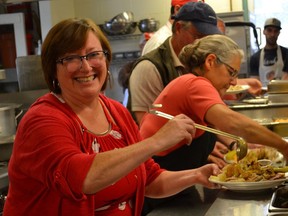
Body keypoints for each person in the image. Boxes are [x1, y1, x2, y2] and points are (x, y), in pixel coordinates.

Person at [3, 18, 222, 216]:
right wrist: (155, 142)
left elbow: (150, 180)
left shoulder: (115, 112)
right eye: (71, 58)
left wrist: (196, 176)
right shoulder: (42, 120)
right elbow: (82, 179)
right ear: (53, 69)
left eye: (93, 55)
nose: (86, 66)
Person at [140, 34, 288, 172]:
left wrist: (235, 144)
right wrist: (283, 146)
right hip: (155, 177)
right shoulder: (195, 84)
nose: (234, 81)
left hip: (170, 175)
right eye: (231, 72)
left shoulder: (193, 83)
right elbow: (233, 123)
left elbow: (213, 126)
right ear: (210, 61)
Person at [128, 1, 221, 125]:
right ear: (178, 28)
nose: (204, 45)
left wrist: (227, 143)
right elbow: (149, 127)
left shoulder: (199, 62)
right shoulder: (150, 67)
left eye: (209, 39)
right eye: (198, 36)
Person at [250, 17, 288, 87]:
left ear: (279, 33)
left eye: (275, 31)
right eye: (269, 30)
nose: (272, 34)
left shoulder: (286, 53)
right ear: (264, 32)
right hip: (263, 96)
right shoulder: (255, 58)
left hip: (283, 94)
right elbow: (254, 83)